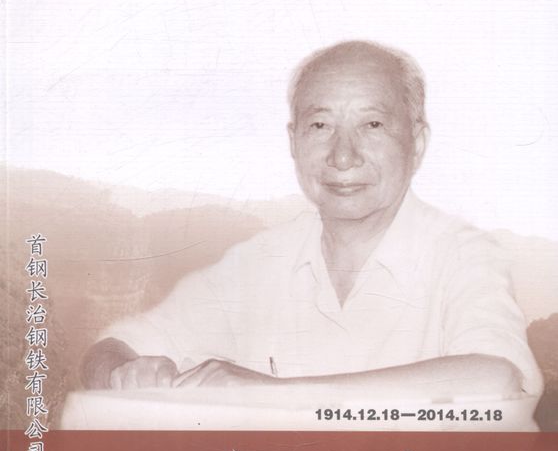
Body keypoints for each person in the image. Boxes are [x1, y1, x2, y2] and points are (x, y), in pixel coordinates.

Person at [81, 41, 542, 401]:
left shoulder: (464, 255)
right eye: (320, 126)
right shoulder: (258, 262)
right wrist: (124, 371)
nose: (343, 156)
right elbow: (110, 348)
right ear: (294, 142)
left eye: (372, 125)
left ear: (417, 143)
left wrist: (269, 395)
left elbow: (498, 377)